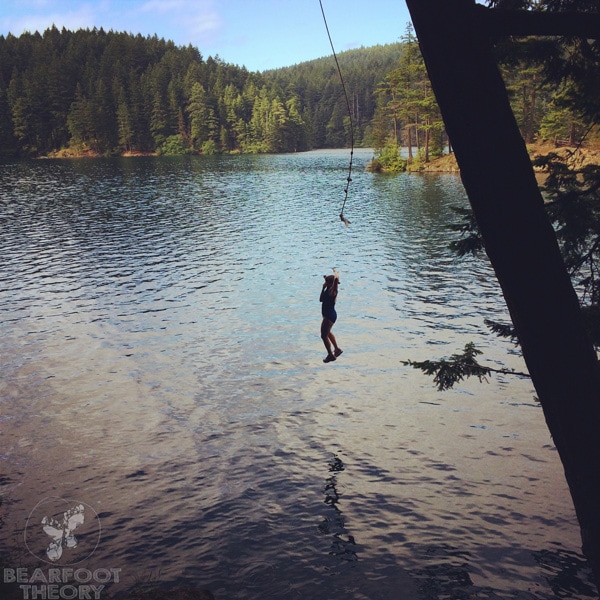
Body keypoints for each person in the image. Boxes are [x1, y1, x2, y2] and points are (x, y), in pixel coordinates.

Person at [320, 269, 343, 363]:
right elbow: (321, 299)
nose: (325, 283)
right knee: (328, 333)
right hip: (328, 315)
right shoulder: (327, 289)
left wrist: (336, 271)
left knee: (323, 336)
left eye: (327, 282)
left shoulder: (333, 291)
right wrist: (323, 287)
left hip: (329, 316)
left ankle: (330, 355)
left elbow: (336, 280)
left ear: (331, 283)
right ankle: (337, 349)